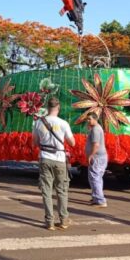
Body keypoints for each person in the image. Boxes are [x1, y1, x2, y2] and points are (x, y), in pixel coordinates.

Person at [34, 97, 76, 230]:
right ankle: (63, 220)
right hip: (59, 159)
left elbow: (34, 143)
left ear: (47, 108)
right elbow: (72, 143)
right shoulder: (63, 123)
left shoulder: (39, 123)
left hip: (45, 158)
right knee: (62, 190)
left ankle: (49, 222)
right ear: (58, 108)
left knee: (46, 190)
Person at [85, 112, 108, 207]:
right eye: (87, 119)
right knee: (95, 178)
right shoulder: (95, 129)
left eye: (89, 119)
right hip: (100, 157)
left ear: (95, 119)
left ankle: (100, 200)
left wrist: (91, 155)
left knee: (95, 178)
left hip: (97, 157)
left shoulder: (96, 130)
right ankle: (96, 197)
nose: (88, 121)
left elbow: (96, 145)